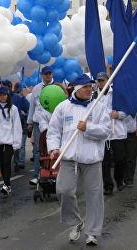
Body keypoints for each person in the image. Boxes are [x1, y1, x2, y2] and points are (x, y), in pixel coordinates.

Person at [48, 74, 111, 246]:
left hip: (92, 159)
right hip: (69, 158)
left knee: (94, 197)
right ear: (76, 89)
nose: (89, 90)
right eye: (85, 87)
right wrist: (54, 148)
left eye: (91, 87)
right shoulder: (62, 108)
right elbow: (53, 131)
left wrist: (88, 128)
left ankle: (92, 232)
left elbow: (106, 131)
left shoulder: (98, 107)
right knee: (63, 190)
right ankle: (76, 222)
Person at [97, 72, 127, 195]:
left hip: (117, 132)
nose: (101, 83)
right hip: (103, 134)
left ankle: (119, 180)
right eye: (99, 80)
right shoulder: (94, 96)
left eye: (103, 80)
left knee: (120, 159)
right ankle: (107, 186)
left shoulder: (116, 93)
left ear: (108, 81)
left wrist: (118, 115)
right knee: (105, 162)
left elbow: (126, 110)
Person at [28, 67, 55, 186]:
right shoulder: (36, 88)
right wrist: (29, 122)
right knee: (38, 150)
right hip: (38, 122)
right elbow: (32, 107)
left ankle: (54, 172)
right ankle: (36, 175)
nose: (47, 76)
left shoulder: (58, 87)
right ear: (41, 75)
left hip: (53, 121)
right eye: (45, 74)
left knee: (54, 148)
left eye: (49, 74)